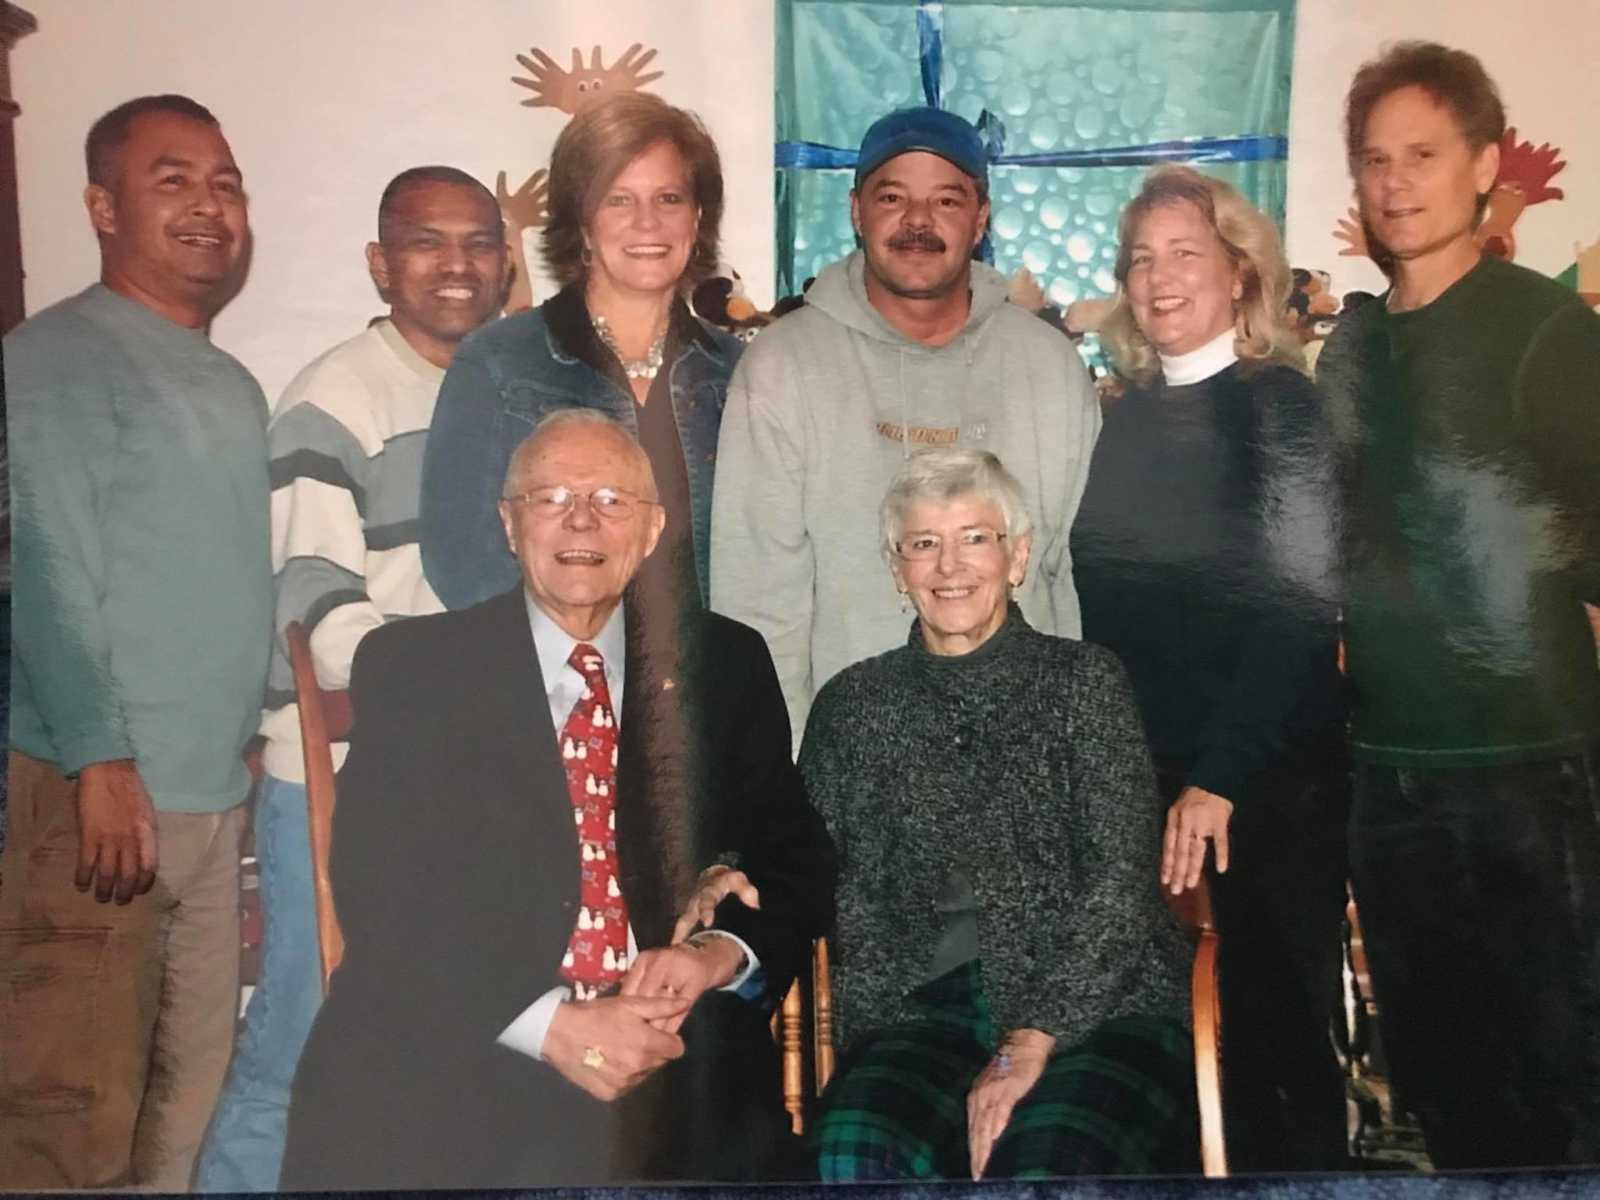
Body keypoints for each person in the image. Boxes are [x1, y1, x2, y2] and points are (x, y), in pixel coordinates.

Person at [280, 410, 835, 1189]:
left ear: (652, 530)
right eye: (550, 498)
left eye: (612, 499)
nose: (581, 519)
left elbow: (795, 855)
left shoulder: (721, 663)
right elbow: (382, 888)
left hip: (666, 1039)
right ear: (510, 523)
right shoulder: (415, 670)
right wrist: (547, 1025)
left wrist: (714, 957)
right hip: (470, 1034)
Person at [193, 166, 511, 1191]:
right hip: (336, 773)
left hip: (465, 776)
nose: (454, 265)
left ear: (506, 265)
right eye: (427, 241)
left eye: (477, 242)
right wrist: (457, 685)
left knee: (448, 1045)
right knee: (303, 1034)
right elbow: (312, 604)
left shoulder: (504, 392)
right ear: (381, 264)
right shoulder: (334, 399)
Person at [1317, 41, 1600, 1168]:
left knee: (1567, 1087)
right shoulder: (1352, 346)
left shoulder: (1546, 330)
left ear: (1484, 167)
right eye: (1374, 160)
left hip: (1532, 776)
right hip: (1389, 780)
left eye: (1422, 155)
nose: (1394, 182)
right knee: (1442, 1087)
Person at [0, 94, 271, 1190]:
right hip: (97, 798)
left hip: (204, 800)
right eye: (174, 180)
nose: (209, 204)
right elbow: (47, 571)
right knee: (70, 1114)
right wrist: (100, 762)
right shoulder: (55, 354)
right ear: (102, 207)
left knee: (183, 1113)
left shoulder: (229, 379)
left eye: (225, 181)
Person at [796, 447, 1191, 1180]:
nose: (950, 567)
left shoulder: (1084, 683)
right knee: (849, 1154)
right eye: (923, 544)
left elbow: (1119, 883)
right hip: (921, 1014)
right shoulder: (853, 705)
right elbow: (798, 856)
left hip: (1099, 1008)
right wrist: (728, 869)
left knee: (1044, 1163)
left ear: (1018, 557)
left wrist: (1029, 1040)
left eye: (975, 538)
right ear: (897, 567)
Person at [1072, 165, 1348, 1171]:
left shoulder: (1283, 409)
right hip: (1153, 789)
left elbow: (1298, 609)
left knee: (1273, 1051)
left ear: (1240, 272)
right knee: (1172, 1066)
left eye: (1185, 251)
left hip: (1266, 788)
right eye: (1141, 259)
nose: (1159, 276)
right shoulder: (1125, 417)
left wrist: (1218, 779)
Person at [710, 107, 1101, 744]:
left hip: (1026, 761)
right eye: (893, 197)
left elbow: (1062, 579)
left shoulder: (1049, 367)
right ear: (856, 209)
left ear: (981, 218)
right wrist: (787, 786)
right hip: (849, 763)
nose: (918, 221)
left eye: (947, 200)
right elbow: (757, 607)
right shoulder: (783, 366)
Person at [419, 91, 739, 623]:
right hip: (548, 689)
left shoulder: (738, 373)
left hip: (704, 690)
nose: (647, 223)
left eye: (669, 199)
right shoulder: (497, 364)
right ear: (583, 223)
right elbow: (459, 560)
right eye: (618, 199)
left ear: (698, 215)